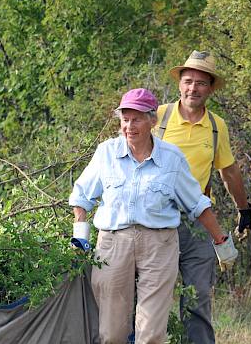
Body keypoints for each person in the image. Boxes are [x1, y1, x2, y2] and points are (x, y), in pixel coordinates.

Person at [68, 88, 237, 344]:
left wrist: (221, 242)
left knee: (151, 334)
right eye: (125, 119)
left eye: (136, 119)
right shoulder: (106, 153)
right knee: (111, 333)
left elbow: (197, 204)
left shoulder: (171, 158)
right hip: (113, 243)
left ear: (152, 121)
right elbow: (81, 197)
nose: (129, 126)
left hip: (159, 245)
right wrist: (80, 237)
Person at [155, 50, 251, 344]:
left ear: (210, 89)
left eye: (200, 83)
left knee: (197, 299)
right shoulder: (158, 117)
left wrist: (244, 210)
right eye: (188, 81)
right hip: (156, 219)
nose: (193, 88)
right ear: (179, 83)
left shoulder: (215, 126)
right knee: (151, 296)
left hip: (197, 221)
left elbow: (229, 172)